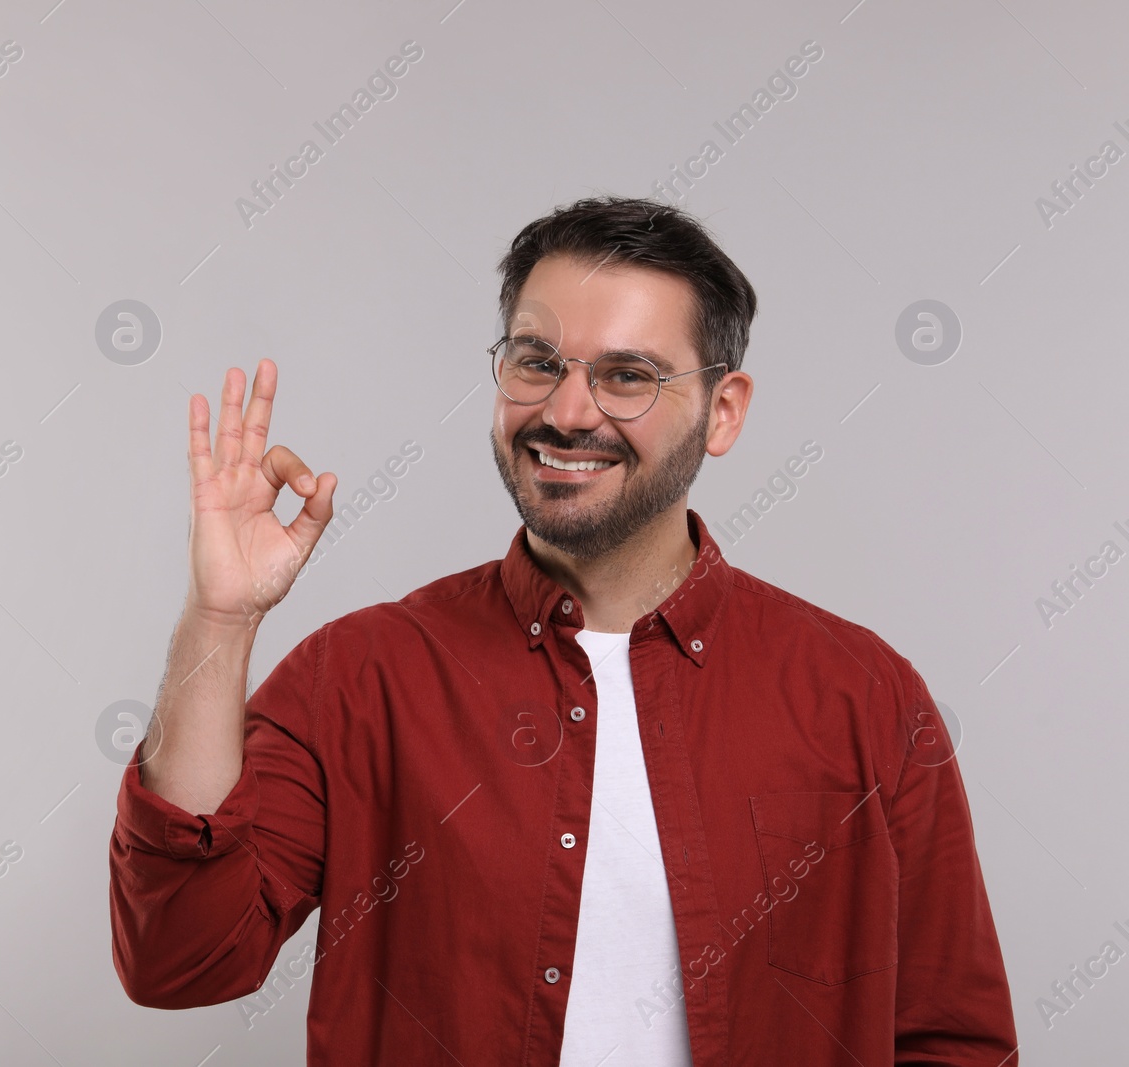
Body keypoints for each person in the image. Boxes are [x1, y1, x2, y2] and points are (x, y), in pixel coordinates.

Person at [107, 196, 1018, 1065]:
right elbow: (181, 956)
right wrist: (219, 619)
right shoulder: (361, 676)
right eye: (537, 361)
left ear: (723, 409)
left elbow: (954, 1038)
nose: (567, 412)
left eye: (627, 375)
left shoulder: (862, 695)